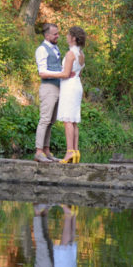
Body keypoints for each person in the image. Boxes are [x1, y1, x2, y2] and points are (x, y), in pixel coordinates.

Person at [34, 23, 71, 163]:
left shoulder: (55, 48)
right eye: (55, 34)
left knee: (51, 121)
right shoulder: (41, 50)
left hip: (57, 87)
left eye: (57, 33)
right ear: (47, 35)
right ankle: (38, 152)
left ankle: (46, 150)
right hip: (48, 88)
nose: (58, 36)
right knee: (44, 120)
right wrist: (61, 74)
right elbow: (42, 72)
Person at [56, 27, 86, 164]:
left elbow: (66, 74)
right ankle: (75, 151)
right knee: (73, 120)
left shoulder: (70, 54)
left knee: (68, 119)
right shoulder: (81, 54)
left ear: (73, 38)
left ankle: (69, 152)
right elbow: (78, 72)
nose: (66, 36)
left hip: (69, 86)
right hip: (77, 85)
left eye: (68, 35)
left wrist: (48, 73)